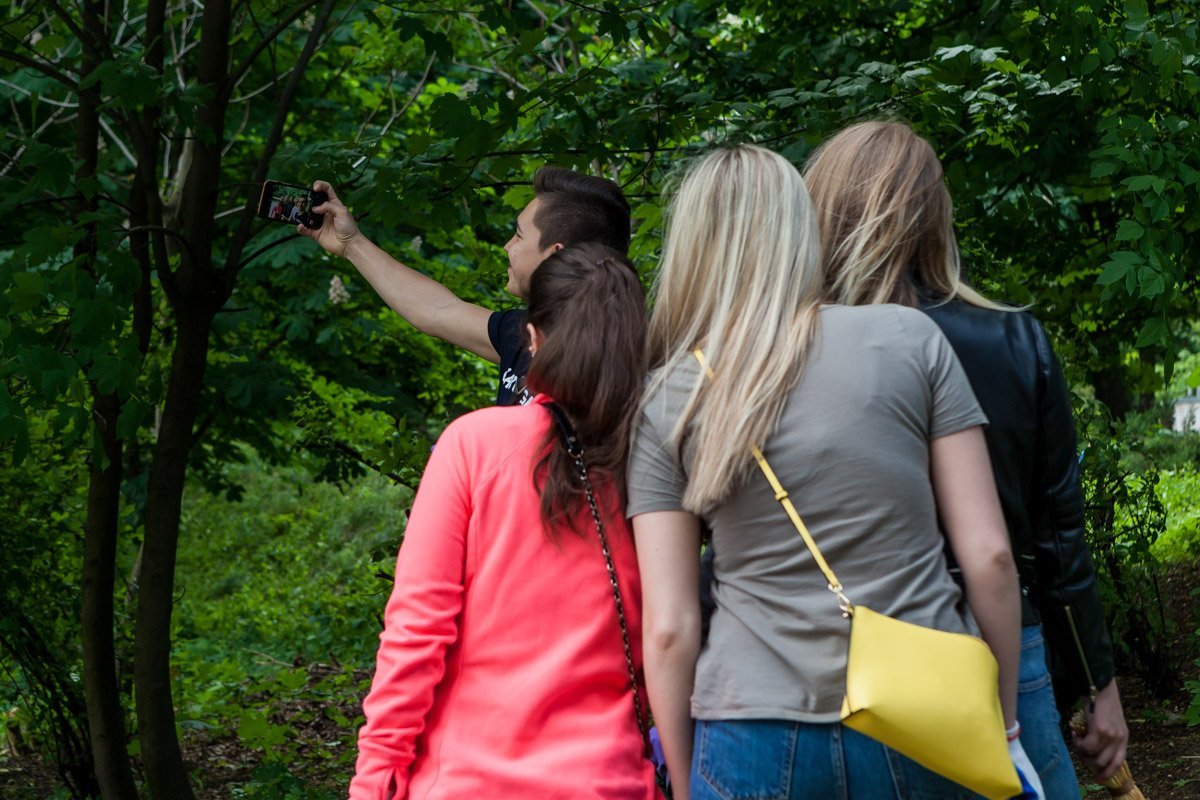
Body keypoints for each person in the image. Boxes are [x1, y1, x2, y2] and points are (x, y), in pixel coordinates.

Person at [627, 144, 1034, 800]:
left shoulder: (669, 395)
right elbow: (989, 557)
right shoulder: (908, 340)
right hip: (924, 716)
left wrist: (678, 779)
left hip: (751, 727)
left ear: (692, 245)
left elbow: (670, 625)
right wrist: (1004, 722)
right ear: (798, 230)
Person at [803, 119, 1129, 794]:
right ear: (935, 214)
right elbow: (1057, 537)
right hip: (1001, 651)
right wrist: (1098, 685)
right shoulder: (1013, 341)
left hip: (839, 659)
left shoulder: (783, 352)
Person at [349, 242, 661, 800]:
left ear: (533, 340)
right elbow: (666, 638)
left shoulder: (474, 444)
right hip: (610, 782)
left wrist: (374, 779)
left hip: (468, 783)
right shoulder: (654, 463)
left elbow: (416, 632)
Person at [299, 168, 631, 406]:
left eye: (517, 235)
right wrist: (351, 244)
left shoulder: (623, 365)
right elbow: (436, 309)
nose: (506, 246)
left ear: (555, 255)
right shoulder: (523, 334)